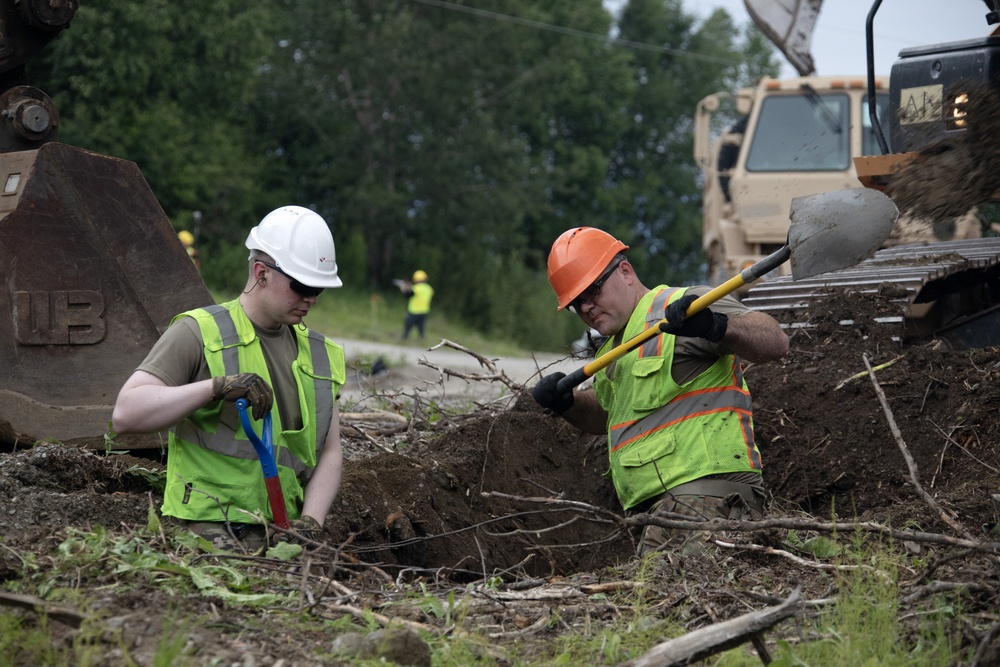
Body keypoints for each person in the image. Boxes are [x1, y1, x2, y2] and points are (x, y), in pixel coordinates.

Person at [531, 227, 789, 556]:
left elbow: (775, 342)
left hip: (706, 498)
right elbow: (608, 416)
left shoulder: (687, 307)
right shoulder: (610, 352)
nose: (587, 307)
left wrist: (717, 326)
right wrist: (568, 403)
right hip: (653, 511)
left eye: (592, 290)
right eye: (575, 303)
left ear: (624, 271)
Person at [113, 206, 347, 552]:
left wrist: (311, 522)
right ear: (261, 272)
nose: (310, 298)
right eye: (302, 285)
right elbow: (126, 414)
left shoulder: (321, 355)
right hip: (206, 524)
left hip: (282, 532)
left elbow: (329, 452)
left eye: (319, 289)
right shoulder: (199, 332)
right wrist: (214, 387)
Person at [398, 269, 435, 341]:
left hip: (414, 311)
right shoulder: (429, 288)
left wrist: (403, 289)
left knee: (408, 325)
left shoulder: (415, 288)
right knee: (421, 326)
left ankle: (404, 338)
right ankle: (422, 339)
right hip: (424, 311)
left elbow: (408, 295)